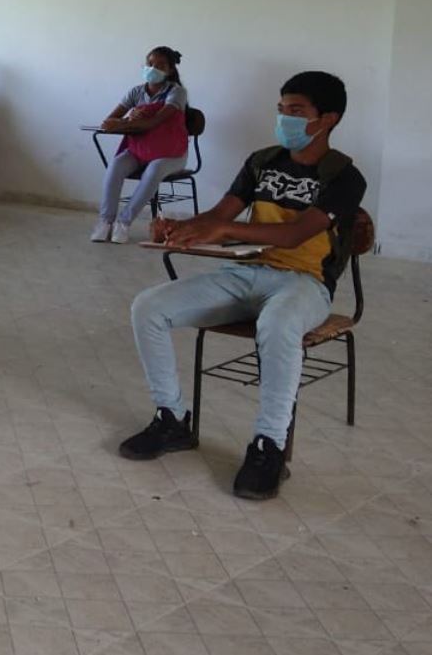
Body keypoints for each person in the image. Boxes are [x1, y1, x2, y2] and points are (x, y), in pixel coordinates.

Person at [119, 71, 366, 500]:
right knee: (148, 306)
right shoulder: (262, 161)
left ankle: (269, 446)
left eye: (296, 111)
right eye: (281, 109)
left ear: (328, 119)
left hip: (306, 284)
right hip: (245, 273)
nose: (285, 119)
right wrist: (180, 227)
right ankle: (171, 420)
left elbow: (295, 235)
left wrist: (225, 230)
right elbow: (221, 217)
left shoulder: (344, 176)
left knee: (279, 323)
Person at [91, 46, 190, 244]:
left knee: (154, 170)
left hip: (170, 153)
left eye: (160, 65)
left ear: (170, 70)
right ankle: (105, 221)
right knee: (116, 166)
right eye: (150, 64)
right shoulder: (136, 92)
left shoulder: (177, 92)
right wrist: (128, 119)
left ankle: (124, 222)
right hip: (139, 150)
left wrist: (128, 121)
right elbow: (109, 121)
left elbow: (154, 122)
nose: (153, 69)